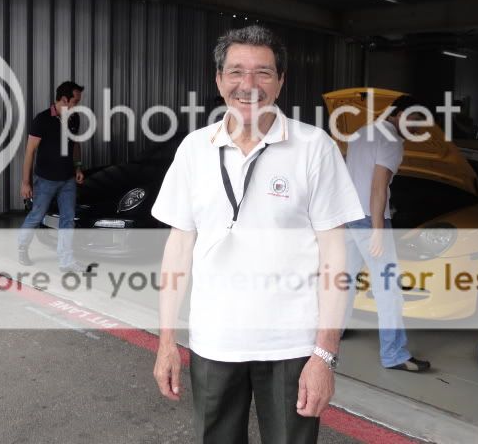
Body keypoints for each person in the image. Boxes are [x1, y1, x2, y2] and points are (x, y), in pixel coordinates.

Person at [152, 26, 365, 443]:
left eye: (263, 73)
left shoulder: (313, 147)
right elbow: (177, 249)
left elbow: (336, 257)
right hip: (214, 342)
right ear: (218, 80)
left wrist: (324, 353)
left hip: (292, 345)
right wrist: (166, 342)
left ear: (282, 80)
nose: (248, 85)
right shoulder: (194, 149)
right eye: (236, 71)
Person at [342, 95, 432, 372]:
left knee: (344, 280)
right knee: (389, 289)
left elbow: (348, 173)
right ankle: (394, 354)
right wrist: (378, 230)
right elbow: (378, 187)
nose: (418, 130)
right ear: (401, 113)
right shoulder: (391, 141)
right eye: (417, 121)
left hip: (348, 215)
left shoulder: (362, 132)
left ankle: (335, 329)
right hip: (370, 219)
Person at [18, 81, 86, 272]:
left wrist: (78, 167)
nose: (78, 105)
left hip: (68, 180)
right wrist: (26, 182)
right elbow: (30, 151)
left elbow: (75, 144)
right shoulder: (43, 119)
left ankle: (66, 261)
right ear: (64, 99)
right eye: (76, 100)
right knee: (36, 215)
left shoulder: (74, 118)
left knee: (68, 218)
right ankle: (22, 246)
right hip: (46, 180)